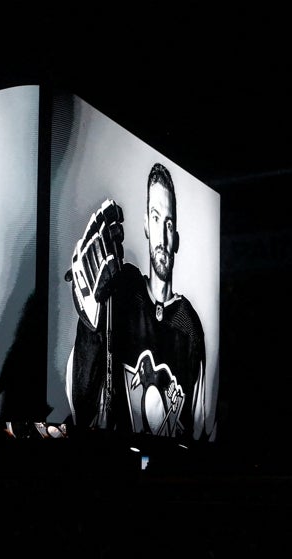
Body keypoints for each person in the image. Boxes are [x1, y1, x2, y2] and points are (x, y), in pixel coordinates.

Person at [64, 162, 207, 439]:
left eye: (169, 223)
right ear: (145, 225)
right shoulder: (124, 290)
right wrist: (89, 324)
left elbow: (199, 429)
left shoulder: (189, 326)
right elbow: (80, 403)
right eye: (156, 218)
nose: (163, 237)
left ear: (175, 237)